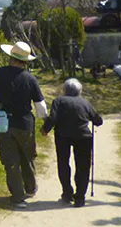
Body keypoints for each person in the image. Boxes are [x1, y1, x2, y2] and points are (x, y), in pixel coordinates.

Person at [0, 41, 48, 209]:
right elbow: (40, 106)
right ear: (25, 62)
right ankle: (30, 188)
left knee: (10, 159)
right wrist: (45, 122)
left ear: (10, 57)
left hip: (2, 121)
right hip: (25, 123)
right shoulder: (30, 79)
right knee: (27, 156)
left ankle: (17, 197)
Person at [40, 78, 103, 207]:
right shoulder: (85, 102)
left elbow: (53, 118)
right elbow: (98, 121)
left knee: (63, 163)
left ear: (65, 90)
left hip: (63, 136)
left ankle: (67, 193)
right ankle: (80, 197)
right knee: (83, 166)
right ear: (79, 91)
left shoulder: (59, 100)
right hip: (83, 136)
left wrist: (45, 129)